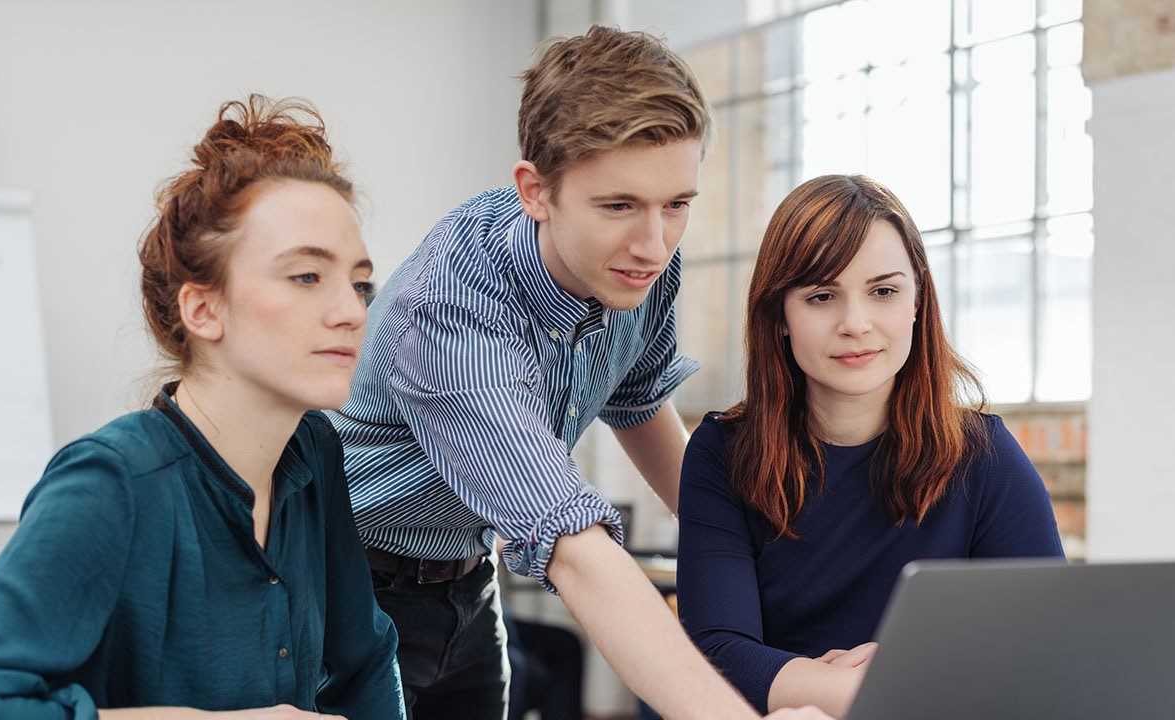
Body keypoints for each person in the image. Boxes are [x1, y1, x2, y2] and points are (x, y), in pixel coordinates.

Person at [329, 24, 828, 720]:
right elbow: (568, 543)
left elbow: (637, 398)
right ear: (536, 191)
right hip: (348, 590)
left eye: (677, 204)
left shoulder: (637, 262)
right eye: (618, 205)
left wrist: (763, 567)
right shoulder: (447, 312)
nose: (653, 245)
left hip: (469, 584)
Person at [0, 96, 404, 719]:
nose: (351, 310)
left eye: (359, 281)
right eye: (307, 277)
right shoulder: (111, 481)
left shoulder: (314, 448)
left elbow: (366, 660)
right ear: (202, 309)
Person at [677, 174, 1066, 718]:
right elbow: (716, 654)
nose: (855, 324)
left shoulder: (985, 455)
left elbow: (1049, 650)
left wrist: (887, 678)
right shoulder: (722, 452)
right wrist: (900, 685)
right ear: (779, 317)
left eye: (883, 291)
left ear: (916, 301)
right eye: (820, 296)